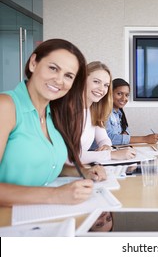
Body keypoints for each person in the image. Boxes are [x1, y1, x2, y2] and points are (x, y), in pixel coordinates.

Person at [0, 39, 106, 206]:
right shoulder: (5, 105)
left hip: (37, 217)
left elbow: (44, 165)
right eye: (53, 68)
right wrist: (54, 195)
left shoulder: (53, 114)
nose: (59, 80)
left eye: (68, 76)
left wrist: (83, 172)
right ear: (33, 63)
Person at [80, 62, 136, 164]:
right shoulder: (69, 111)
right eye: (96, 81)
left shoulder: (94, 110)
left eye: (106, 85)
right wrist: (110, 154)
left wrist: (106, 145)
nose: (102, 89)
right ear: (82, 80)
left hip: (84, 167)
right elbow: (68, 156)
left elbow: (104, 138)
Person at [105, 78, 158, 145]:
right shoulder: (104, 112)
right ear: (110, 94)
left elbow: (126, 131)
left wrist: (123, 136)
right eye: (119, 94)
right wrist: (145, 139)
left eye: (126, 95)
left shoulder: (119, 113)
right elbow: (108, 139)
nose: (124, 98)